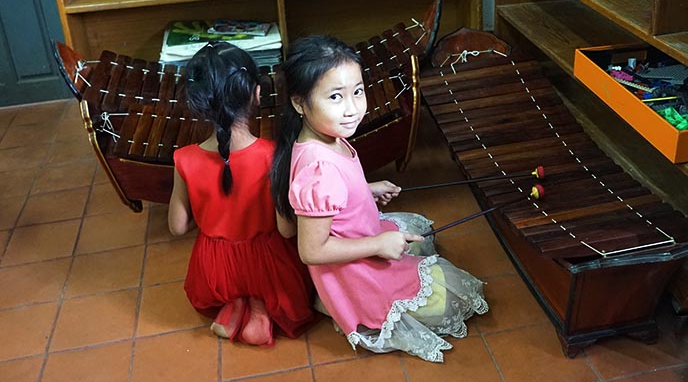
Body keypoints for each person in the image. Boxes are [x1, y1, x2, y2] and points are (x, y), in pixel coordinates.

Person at [270, 35, 488, 362]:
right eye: (335, 97)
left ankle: (341, 291)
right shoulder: (318, 168)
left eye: (357, 92)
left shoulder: (320, 139)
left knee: (414, 231)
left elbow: (312, 204)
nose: (352, 108)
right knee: (454, 297)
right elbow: (310, 249)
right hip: (354, 271)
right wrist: (378, 245)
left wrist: (365, 189)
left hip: (359, 238)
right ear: (299, 103)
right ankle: (340, 303)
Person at [168, 42, 316, 347]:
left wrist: (209, 211)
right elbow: (286, 230)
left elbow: (178, 226)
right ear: (256, 93)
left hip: (214, 272)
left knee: (235, 283)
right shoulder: (273, 155)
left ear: (198, 102)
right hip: (270, 267)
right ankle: (259, 306)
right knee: (290, 281)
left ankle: (236, 305)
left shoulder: (183, 158)